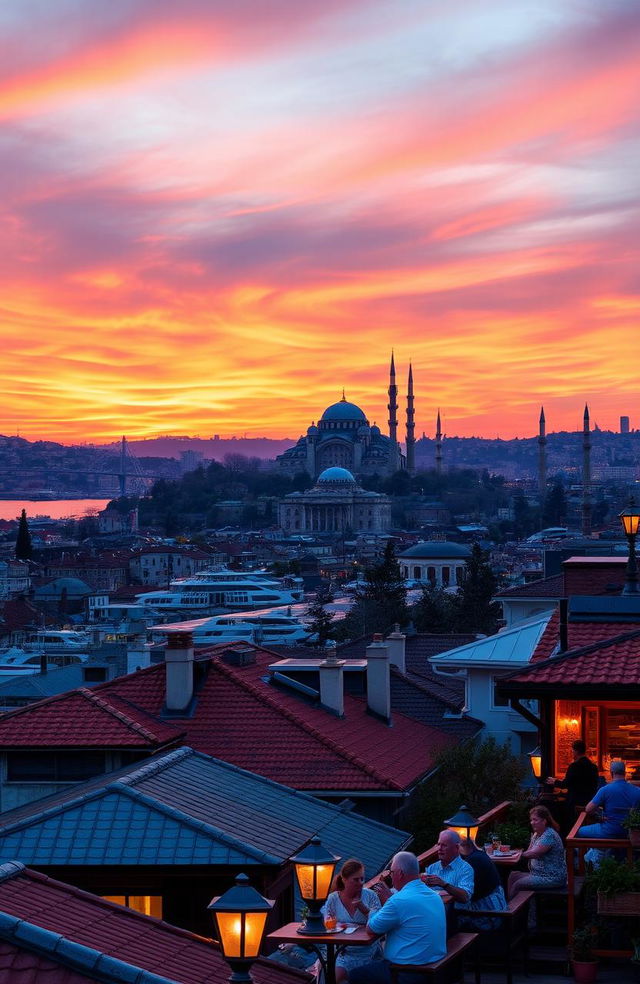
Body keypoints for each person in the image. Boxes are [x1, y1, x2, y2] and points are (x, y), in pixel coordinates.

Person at [349, 851, 446, 984]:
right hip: (435, 962)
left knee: (355, 975)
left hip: (408, 971)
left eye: (392, 872)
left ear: (400, 873)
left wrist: (374, 910)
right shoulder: (434, 895)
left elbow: (371, 928)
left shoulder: (398, 900)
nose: (391, 877)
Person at [321, 858, 382, 983]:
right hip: (343, 950)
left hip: (367, 950)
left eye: (362, 879)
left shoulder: (370, 896)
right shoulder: (334, 898)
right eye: (356, 879)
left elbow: (380, 923)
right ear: (344, 879)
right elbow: (327, 921)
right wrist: (334, 923)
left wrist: (363, 909)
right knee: (334, 977)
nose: (360, 883)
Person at [508, 805, 567, 899]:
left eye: (535, 820)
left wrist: (514, 854)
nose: (532, 823)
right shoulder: (537, 834)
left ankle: (513, 911)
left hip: (551, 877)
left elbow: (534, 853)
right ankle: (507, 905)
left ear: (544, 821)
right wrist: (515, 853)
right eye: (531, 820)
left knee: (518, 884)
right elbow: (529, 851)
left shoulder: (549, 835)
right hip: (538, 873)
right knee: (513, 876)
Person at [544, 740, 599, 833]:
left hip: (574, 802)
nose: (572, 753)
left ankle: (572, 842)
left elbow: (566, 784)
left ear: (576, 751)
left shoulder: (574, 766)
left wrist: (554, 781)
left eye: (572, 751)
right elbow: (595, 784)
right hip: (589, 801)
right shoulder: (593, 767)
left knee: (572, 824)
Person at [578, 759, 640, 840]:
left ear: (611, 773)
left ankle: (594, 852)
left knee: (580, 831)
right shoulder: (637, 791)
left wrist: (600, 816)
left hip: (609, 830)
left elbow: (588, 809)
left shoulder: (605, 790)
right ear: (624, 773)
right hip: (630, 833)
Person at [455, 836, 507, 930]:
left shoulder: (474, 861)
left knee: (446, 917)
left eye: (445, 845)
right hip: (496, 908)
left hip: (488, 916)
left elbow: (462, 893)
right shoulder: (479, 855)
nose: (439, 849)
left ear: (458, 846)